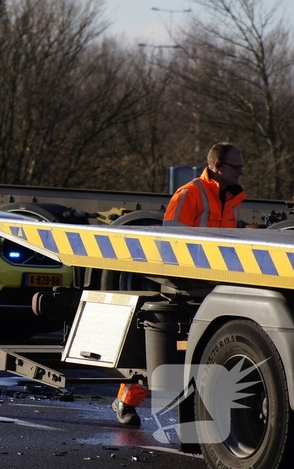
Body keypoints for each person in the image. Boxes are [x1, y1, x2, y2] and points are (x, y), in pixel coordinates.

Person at [111, 142, 246, 426]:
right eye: (236, 167)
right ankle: (126, 400)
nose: (241, 172)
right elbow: (173, 241)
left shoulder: (232, 198)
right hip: (185, 284)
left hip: (214, 283)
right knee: (164, 349)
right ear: (217, 166)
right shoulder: (190, 193)